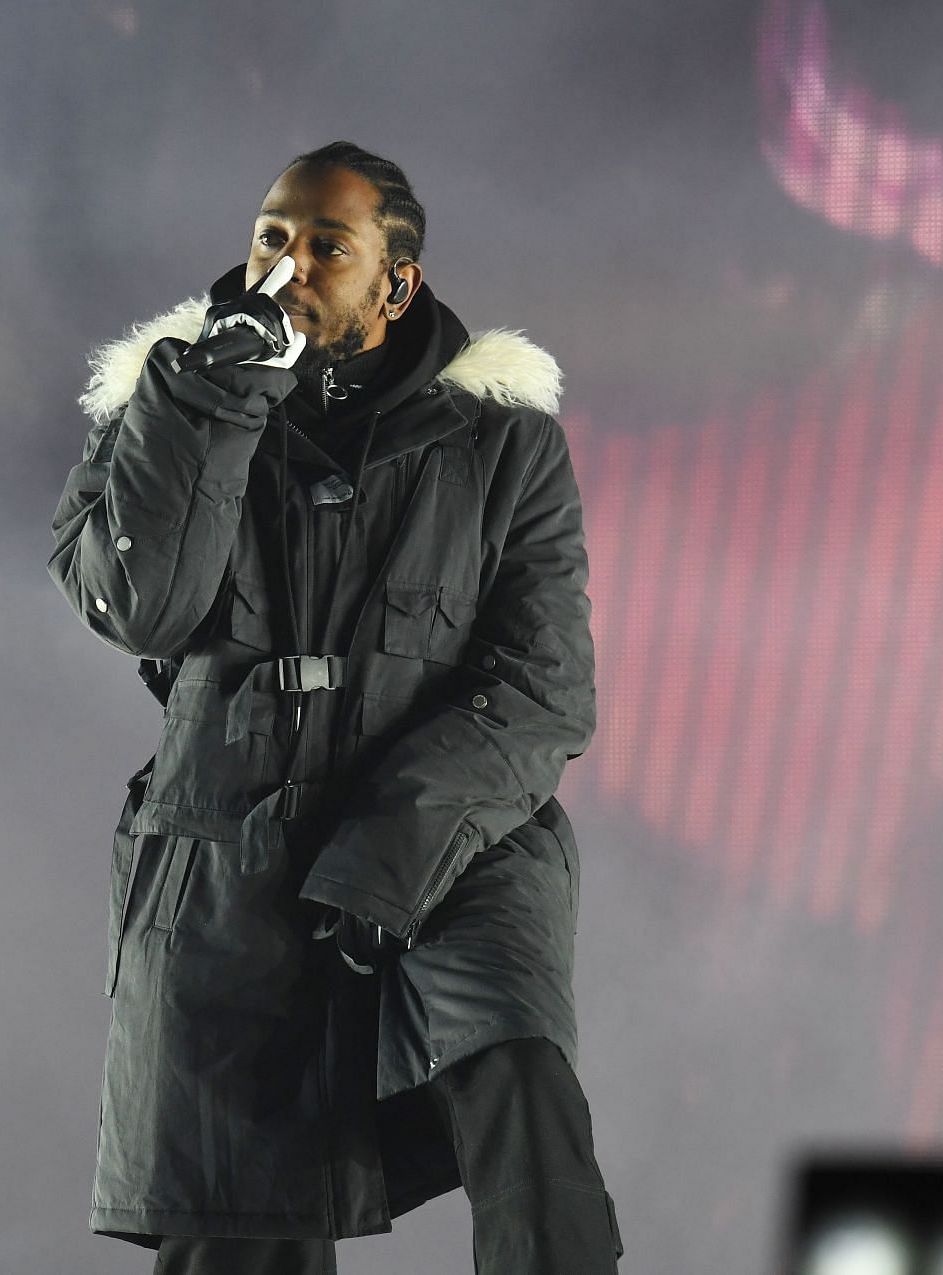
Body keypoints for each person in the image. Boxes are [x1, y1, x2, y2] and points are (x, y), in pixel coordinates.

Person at [49, 140, 625, 1273]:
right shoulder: (167, 408)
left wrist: (386, 857)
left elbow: (543, 690)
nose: (289, 264)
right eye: (272, 236)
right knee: (239, 1219)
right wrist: (212, 399)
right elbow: (141, 606)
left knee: (520, 1092)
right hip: (227, 850)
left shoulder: (504, 444)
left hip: (450, 842)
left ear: (395, 281)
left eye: (327, 245)